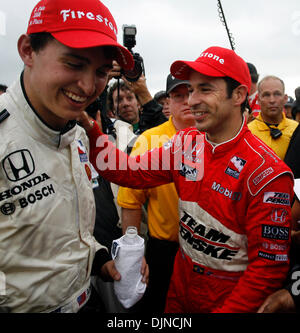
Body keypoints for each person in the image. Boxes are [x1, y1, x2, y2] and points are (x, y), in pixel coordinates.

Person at [82, 46, 294, 313]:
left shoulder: (268, 174)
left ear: (239, 95)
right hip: (179, 290)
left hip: (228, 298)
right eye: (191, 90)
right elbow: (125, 171)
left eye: (205, 89)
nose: (192, 100)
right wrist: (89, 128)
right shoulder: (185, 144)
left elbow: (268, 268)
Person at [0, 0, 148, 313]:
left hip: (86, 301)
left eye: (101, 72)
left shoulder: (78, 132)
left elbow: (64, 229)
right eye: (73, 63)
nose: (87, 86)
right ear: (28, 50)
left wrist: (98, 258)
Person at [117, 74, 194, 313]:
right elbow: (130, 201)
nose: (188, 101)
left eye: (191, 93)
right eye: (179, 96)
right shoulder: (150, 140)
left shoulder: (215, 134)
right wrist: (132, 255)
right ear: (168, 102)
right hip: (165, 252)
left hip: (211, 254)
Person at [248, 75, 298, 160]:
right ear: (259, 100)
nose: (272, 100)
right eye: (266, 95)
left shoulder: (296, 130)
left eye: (277, 94)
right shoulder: (248, 132)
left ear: (285, 98)